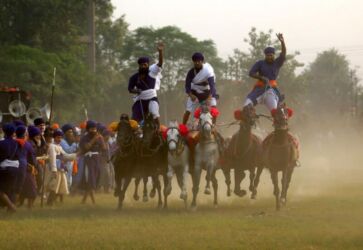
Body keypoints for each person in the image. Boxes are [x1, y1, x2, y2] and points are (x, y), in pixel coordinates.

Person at [243, 33, 286, 113]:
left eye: (271, 55)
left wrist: (282, 42)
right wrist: (261, 77)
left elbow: (283, 54)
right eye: (268, 55)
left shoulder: (277, 63)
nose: (270, 57)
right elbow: (251, 73)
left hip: (271, 90)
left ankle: (280, 122)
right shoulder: (260, 63)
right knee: (246, 106)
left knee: (277, 112)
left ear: (274, 55)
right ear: (265, 55)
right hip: (259, 89)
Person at [128, 42, 164, 128]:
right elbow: (130, 89)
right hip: (140, 99)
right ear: (139, 65)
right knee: (134, 119)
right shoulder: (134, 77)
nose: (143, 66)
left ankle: (158, 130)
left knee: (154, 113)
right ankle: (136, 134)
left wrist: (160, 52)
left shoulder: (152, 73)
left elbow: (160, 63)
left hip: (152, 98)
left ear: (148, 65)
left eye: (145, 64)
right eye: (141, 65)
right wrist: (136, 91)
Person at [182, 52, 218, 125]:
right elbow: (187, 86)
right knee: (188, 111)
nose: (197, 63)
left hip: (207, 93)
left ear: (202, 61)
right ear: (193, 62)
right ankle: (183, 127)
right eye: (195, 61)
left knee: (214, 108)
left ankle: (213, 126)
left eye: (199, 61)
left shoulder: (208, 71)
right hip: (195, 93)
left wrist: (209, 97)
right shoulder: (191, 72)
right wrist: (191, 95)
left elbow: (212, 86)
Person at [79, 120, 106, 204]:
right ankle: (93, 201)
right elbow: (86, 147)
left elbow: (104, 148)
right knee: (90, 178)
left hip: (97, 159)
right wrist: (94, 139)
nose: (93, 130)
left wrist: (101, 140)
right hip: (89, 160)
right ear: (88, 129)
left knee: (95, 178)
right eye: (91, 128)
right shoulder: (84, 138)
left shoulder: (99, 137)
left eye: (95, 128)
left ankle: (84, 200)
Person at [0, 124, 20, 212]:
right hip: (15, 167)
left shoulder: (2, 143)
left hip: (5, 168)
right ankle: (9, 208)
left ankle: (11, 206)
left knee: (1, 190)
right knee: (10, 189)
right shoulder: (16, 143)